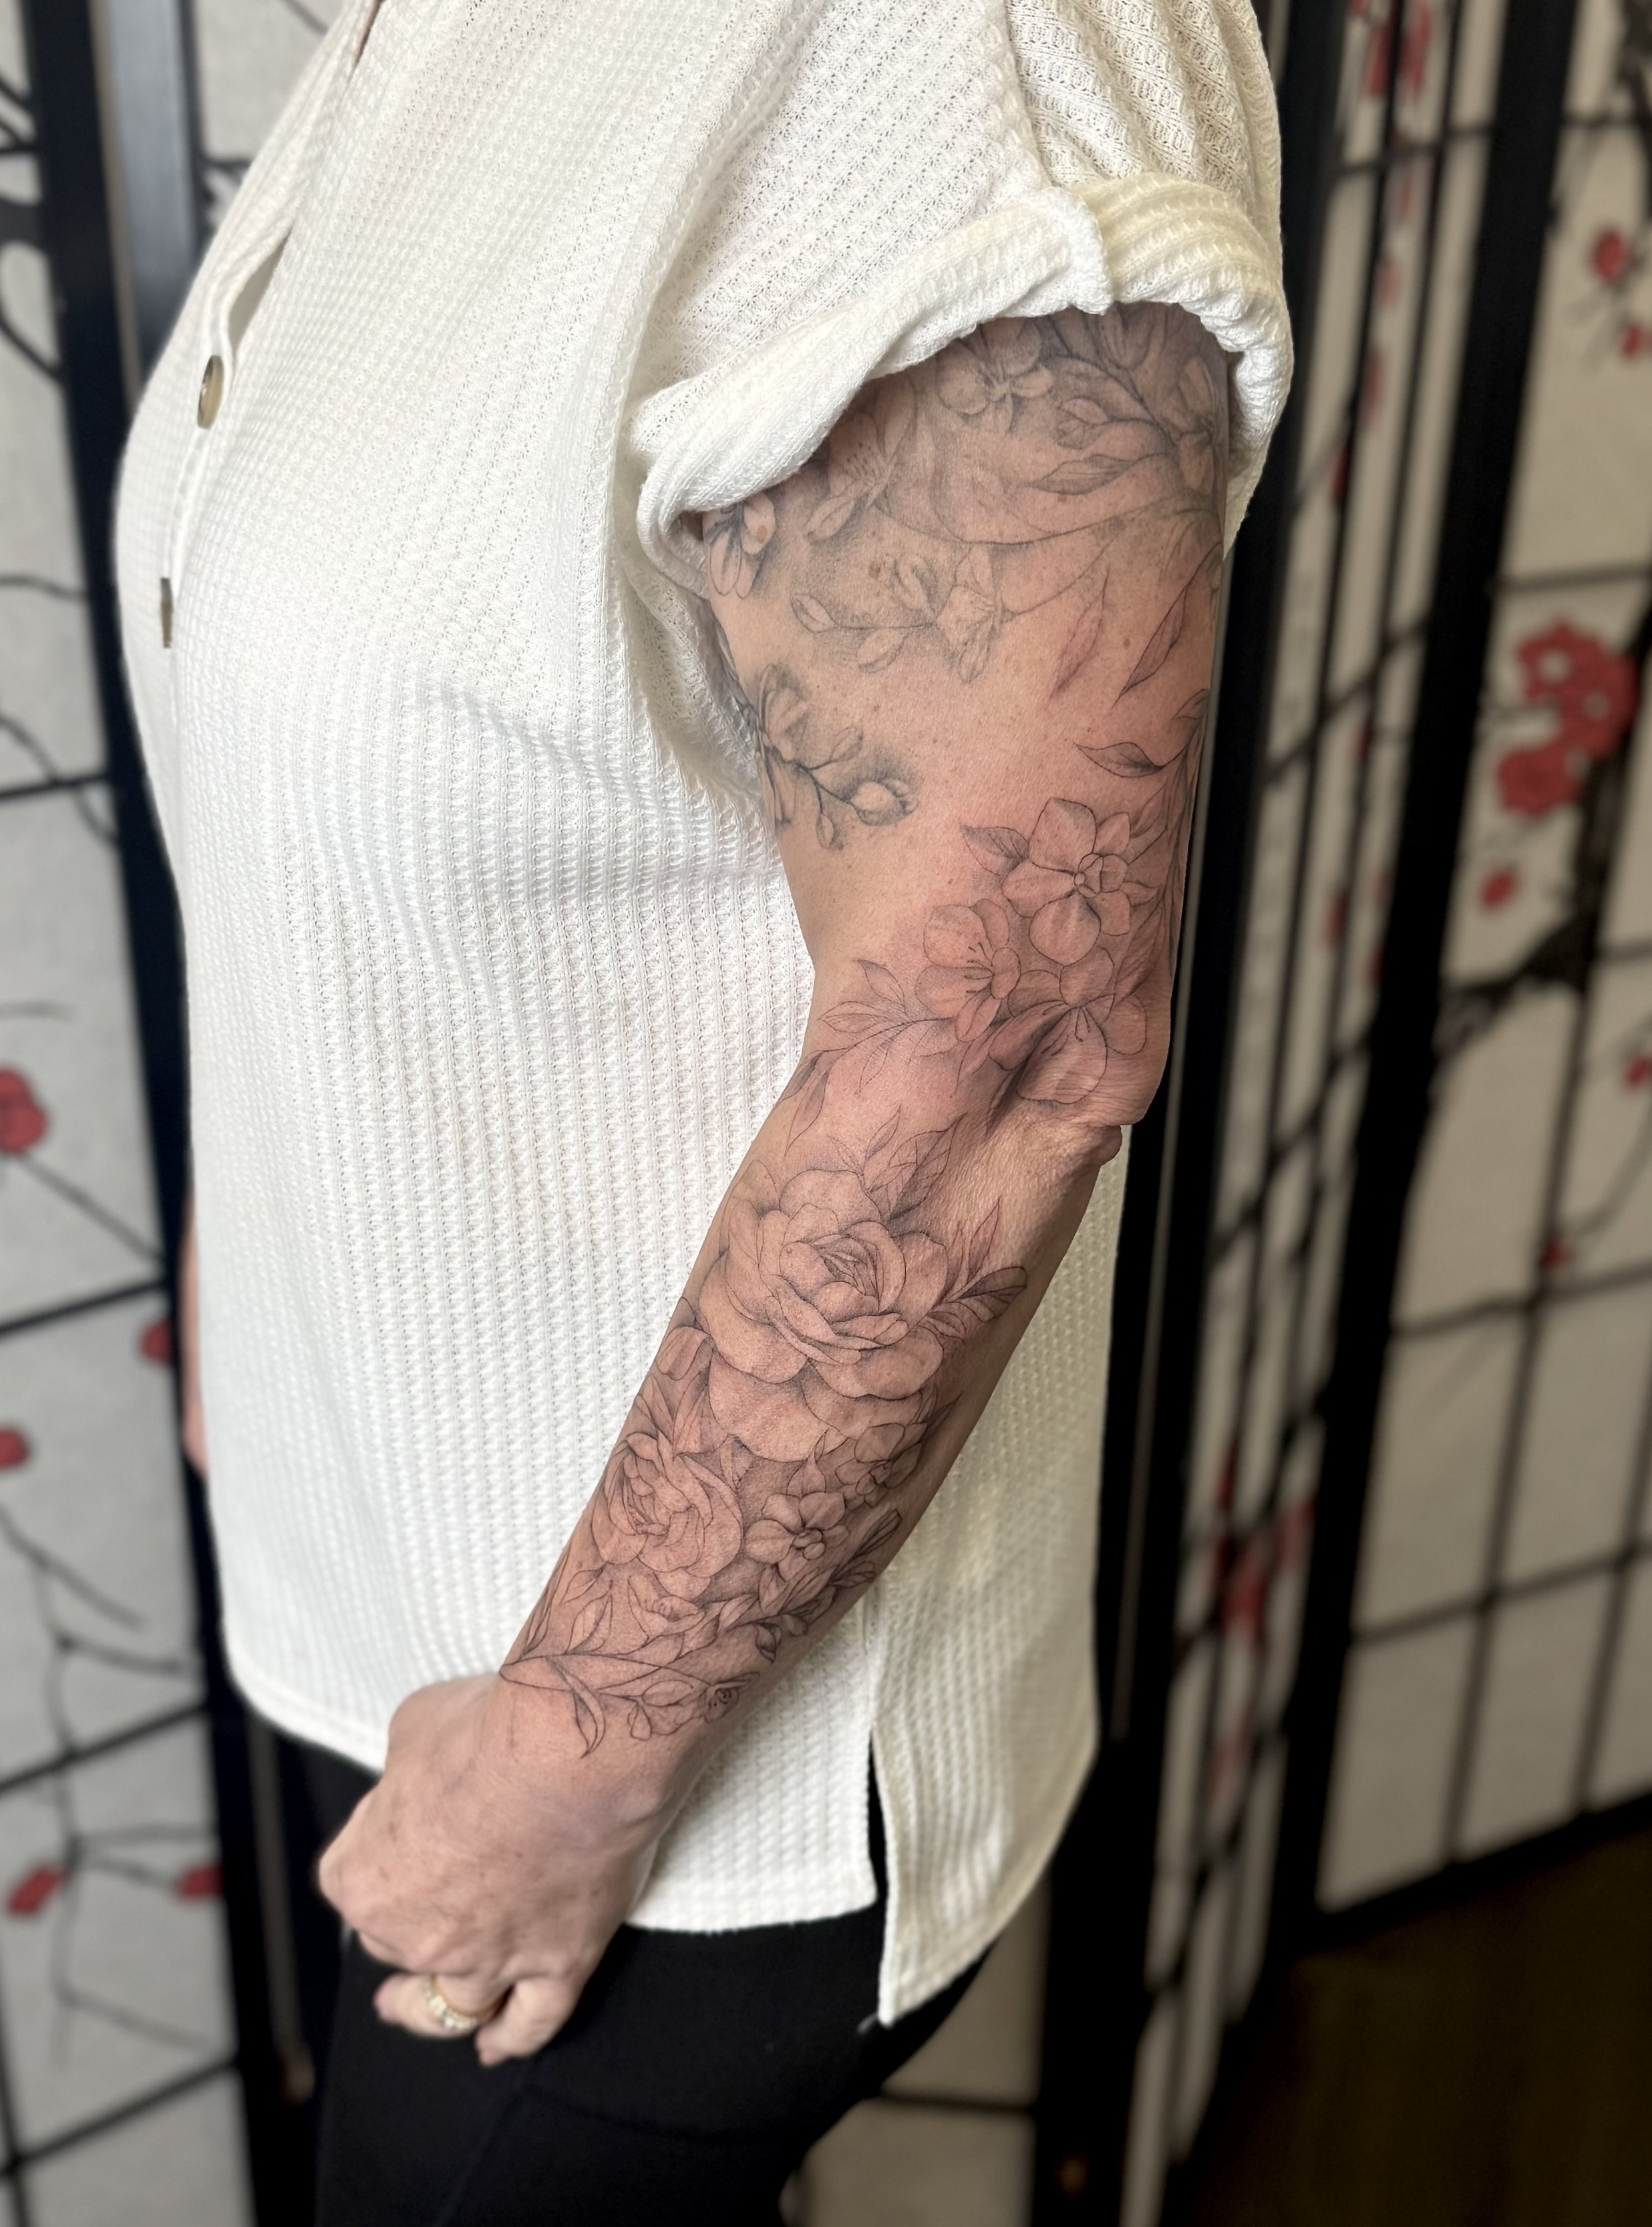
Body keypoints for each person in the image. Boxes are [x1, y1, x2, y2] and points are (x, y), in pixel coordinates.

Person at [116, 1, 1289, 2218]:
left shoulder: (942, 54)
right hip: (393, 1575)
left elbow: (994, 1043)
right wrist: (255, 1258)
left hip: (676, 1776)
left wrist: (571, 1760)